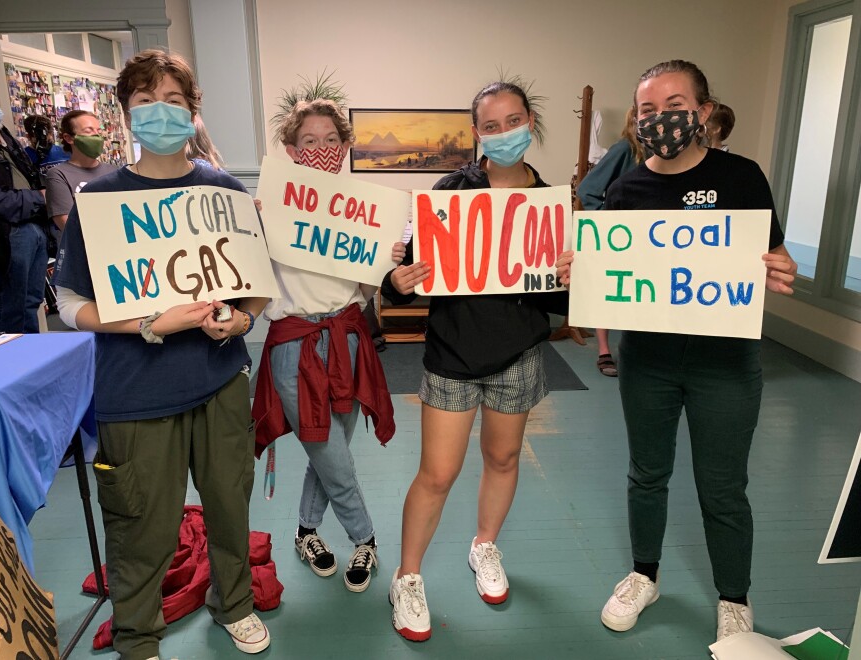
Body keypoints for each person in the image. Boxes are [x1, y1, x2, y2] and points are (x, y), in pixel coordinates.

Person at [55, 49, 271, 659]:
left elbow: (253, 283)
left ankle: (234, 603)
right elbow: (70, 300)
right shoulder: (100, 201)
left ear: (193, 112)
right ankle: (138, 634)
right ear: (127, 114)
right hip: (136, 391)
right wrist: (147, 322)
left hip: (220, 381)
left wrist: (242, 321)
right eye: (146, 101)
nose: (161, 112)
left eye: (174, 100)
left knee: (229, 502)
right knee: (142, 522)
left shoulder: (223, 190)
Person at [595, 60, 797, 642]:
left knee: (724, 486)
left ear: (704, 111)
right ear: (637, 119)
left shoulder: (742, 178)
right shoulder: (627, 187)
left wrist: (781, 269)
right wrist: (584, 269)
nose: (662, 119)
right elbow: (612, 268)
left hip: (726, 365)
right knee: (646, 474)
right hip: (649, 362)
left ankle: (734, 597)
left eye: (675, 105)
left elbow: (774, 259)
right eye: (649, 110)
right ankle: (644, 575)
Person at [381, 80, 570, 642]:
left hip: (520, 355)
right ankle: (407, 577)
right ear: (476, 133)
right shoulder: (448, 192)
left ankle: (484, 545)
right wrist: (396, 279)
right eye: (492, 125)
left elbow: (560, 303)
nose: (505, 132)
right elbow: (405, 284)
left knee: (505, 457)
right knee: (437, 473)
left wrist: (570, 277)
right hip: (452, 356)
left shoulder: (552, 201)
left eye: (514, 120)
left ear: (530, 122)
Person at [252, 95, 396, 595]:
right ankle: (366, 538)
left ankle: (306, 532)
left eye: (330, 140)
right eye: (308, 141)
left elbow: (365, 288)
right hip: (295, 343)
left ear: (344, 146)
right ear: (291, 150)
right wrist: (253, 227)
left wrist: (385, 259)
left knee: (330, 449)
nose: (320, 149)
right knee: (328, 451)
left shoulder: (364, 211)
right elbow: (251, 277)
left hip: (348, 339)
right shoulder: (269, 209)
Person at [576, 108, 648, 378]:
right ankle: (604, 350)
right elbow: (587, 189)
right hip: (620, 238)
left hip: (650, 240)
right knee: (610, 289)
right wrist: (607, 223)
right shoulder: (625, 149)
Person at [0, 81, 48, 332]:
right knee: (12, 305)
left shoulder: (4, 136)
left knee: (32, 301)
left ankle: (32, 356)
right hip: (7, 233)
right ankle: (12, 361)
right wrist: (36, 198)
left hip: (33, 226)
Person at [45, 110, 117, 231]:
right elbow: (67, 226)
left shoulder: (114, 171)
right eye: (88, 131)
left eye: (98, 131)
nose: (97, 136)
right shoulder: (58, 175)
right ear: (69, 138)